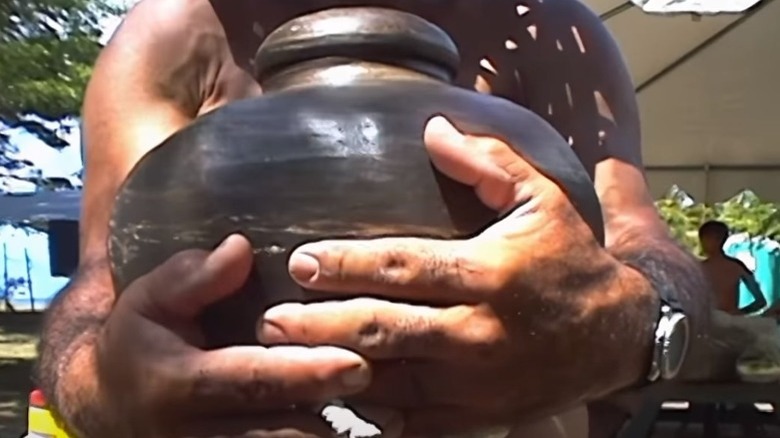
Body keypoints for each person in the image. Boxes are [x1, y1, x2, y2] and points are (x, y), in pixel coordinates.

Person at [35, 1, 710, 437]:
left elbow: (640, 248)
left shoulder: (550, 38)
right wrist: (110, 390)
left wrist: (624, 327)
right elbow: (97, 299)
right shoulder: (175, 34)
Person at [699, 220, 767, 315]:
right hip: (727, 322)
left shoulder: (697, 269)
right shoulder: (738, 266)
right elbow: (760, 302)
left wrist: (738, 313)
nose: (702, 243)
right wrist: (738, 314)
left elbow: (761, 301)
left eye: (705, 239)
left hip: (710, 322)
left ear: (718, 239)